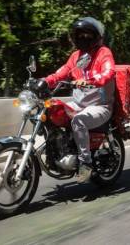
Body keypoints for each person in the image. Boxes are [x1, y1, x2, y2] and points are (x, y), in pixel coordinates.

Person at [44, 17, 116, 183]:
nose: (83, 37)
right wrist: (44, 81)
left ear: (96, 36)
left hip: (100, 105)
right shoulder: (76, 56)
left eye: (87, 34)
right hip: (78, 103)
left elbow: (108, 72)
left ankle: (85, 163)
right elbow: (60, 73)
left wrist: (91, 80)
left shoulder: (103, 53)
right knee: (50, 112)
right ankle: (55, 152)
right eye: (80, 34)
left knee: (78, 121)